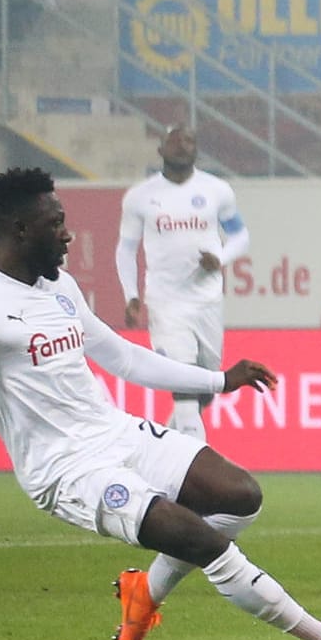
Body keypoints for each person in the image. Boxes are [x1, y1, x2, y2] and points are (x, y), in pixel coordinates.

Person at [0, 168, 321, 640]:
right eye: (55, 223)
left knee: (240, 497)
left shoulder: (60, 287)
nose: (67, 233)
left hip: (113, 431)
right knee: (204, 541)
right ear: (19, 229)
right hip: (66, 470)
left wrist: (220, 380)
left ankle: (143, 595)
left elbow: (125, 359)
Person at [116, 124, 250, 440]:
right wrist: (131, 295)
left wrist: (220, 258)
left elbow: (240, 235)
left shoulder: (217, 191)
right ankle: (195, 468)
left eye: (188, 140)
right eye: (174, 141)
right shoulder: (140, 197)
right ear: (161, 149)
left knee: (206, 385)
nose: (181, 145)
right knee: (184, 380)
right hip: (165, 301)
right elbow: (126, 249)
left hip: (207, 300)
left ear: (196, 149)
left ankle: (164, 445)